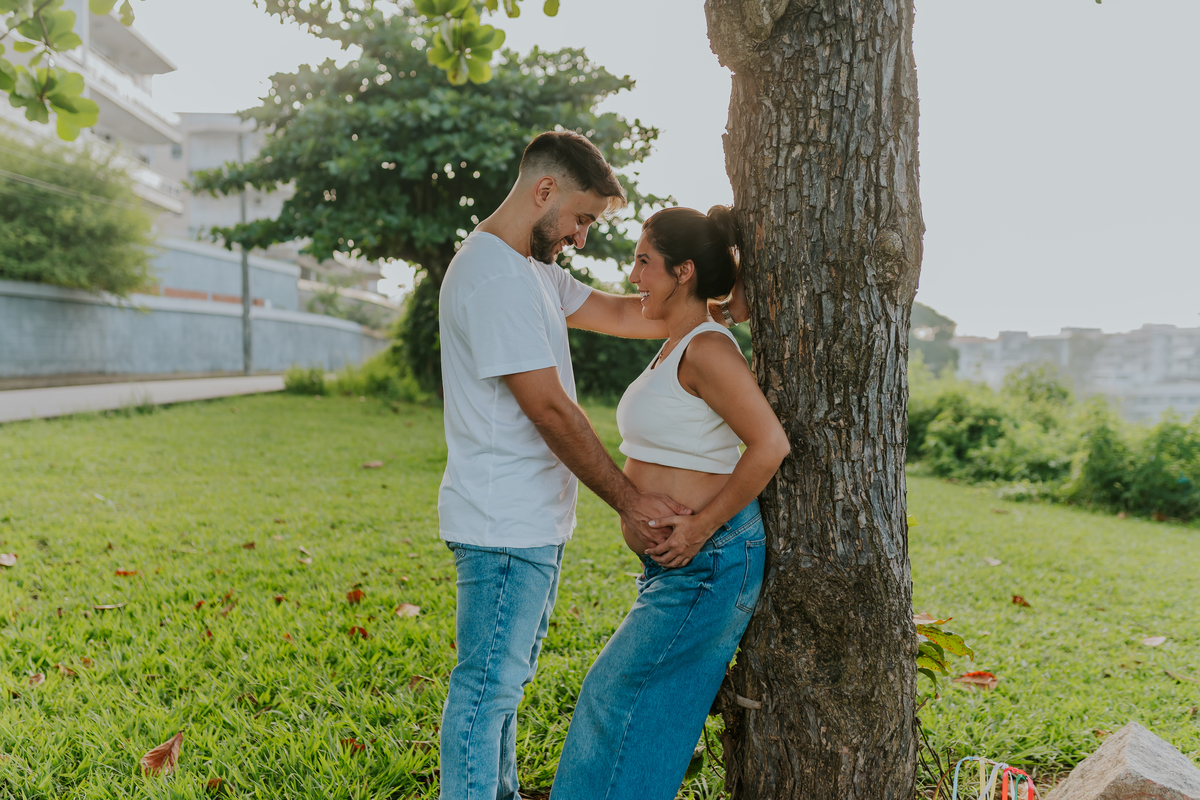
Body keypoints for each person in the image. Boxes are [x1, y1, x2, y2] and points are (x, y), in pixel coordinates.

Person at [438, 131, 724, 800]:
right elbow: (549, 409)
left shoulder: (532, 271)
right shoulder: (492, 275)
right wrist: (629, 499)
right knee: (485, 692)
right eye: (582, 218)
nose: (582, 236)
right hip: (503, 522)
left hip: (530, 521)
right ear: (545, 191)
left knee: (502, 688)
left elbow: (630, 314)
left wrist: (716, 305)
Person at [549, 206, 790, 800]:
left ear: (683, 271)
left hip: (710, 561)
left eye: (644, 261)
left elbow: (769, 445)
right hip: (681, 565)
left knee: (614, 696)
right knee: (642, 712)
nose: (633, 275)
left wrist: (701, 526)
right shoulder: (677, 339)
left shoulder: (707, 349)